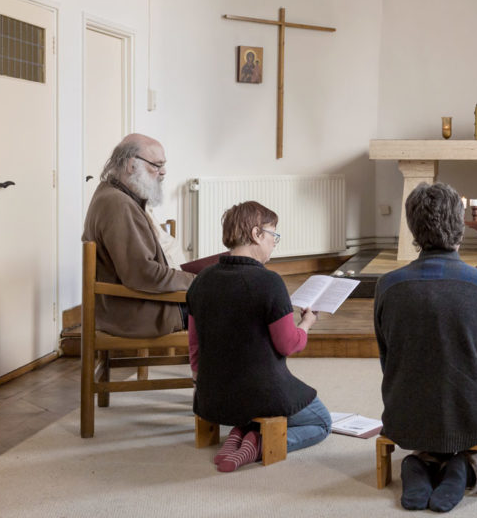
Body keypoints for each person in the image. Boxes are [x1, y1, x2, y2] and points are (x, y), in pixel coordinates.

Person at [374, 182, 477, 512]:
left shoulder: (387, 286)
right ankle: (464, 466)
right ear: (461, 224)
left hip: (405, 415)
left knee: (428, 393)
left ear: (412, 227)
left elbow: (388, 361)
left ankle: (421, 461)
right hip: (471, 415)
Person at [187, 201, 331, 472]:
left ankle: (239, 435)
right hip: (260, 395)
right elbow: (288, 344)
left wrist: (199, 379)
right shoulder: (269, 282)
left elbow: (195, 343)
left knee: (250, 383)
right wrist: (307, 323)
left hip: (211, 396)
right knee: (322, 422)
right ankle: (260, 443)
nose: (274, 243)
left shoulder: (201, 280)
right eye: (273, 235)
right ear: (256, 234)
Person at [82, 134, 194, 337]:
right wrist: (196, 282)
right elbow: (143, 274)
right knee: (232, 305)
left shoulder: (113, 194)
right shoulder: (118, 204)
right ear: (131, 165)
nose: (163, 172)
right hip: (138, 313)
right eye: (157, 165)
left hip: (133, 306)